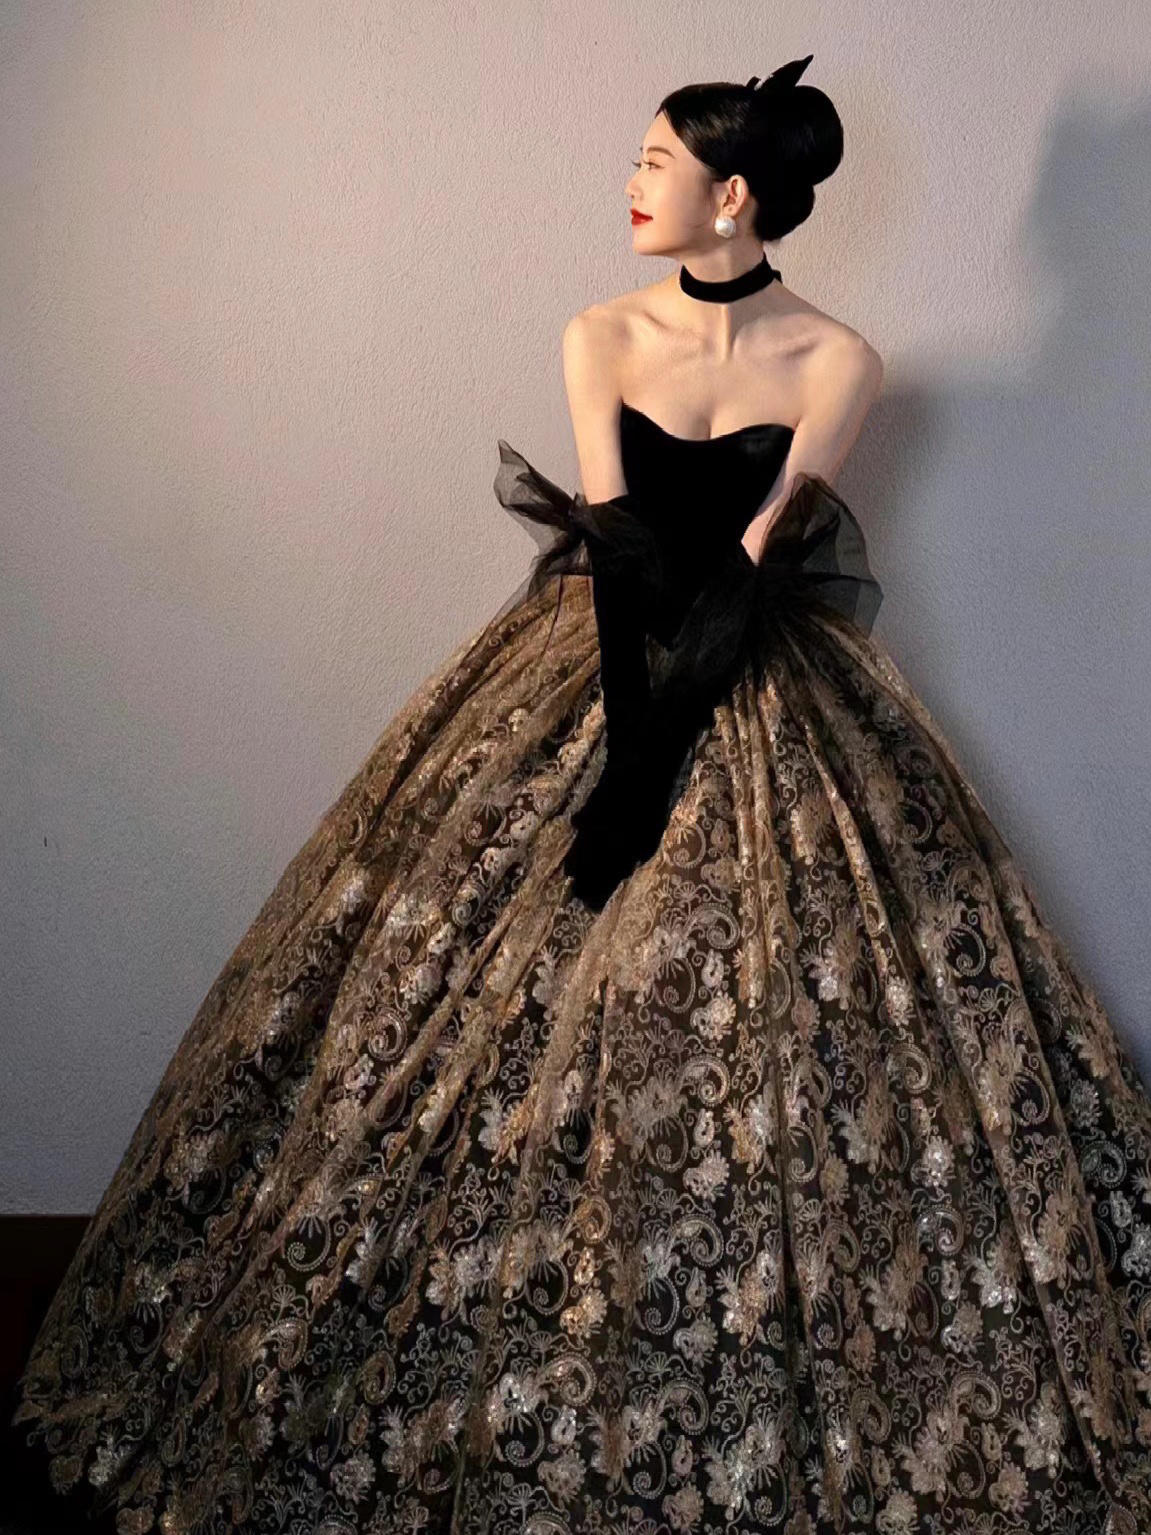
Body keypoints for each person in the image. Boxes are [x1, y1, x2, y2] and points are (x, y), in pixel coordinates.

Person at [9, 53, 1151, 1535]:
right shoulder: (601, 332)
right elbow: (615, 553)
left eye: (653, 160)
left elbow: (756, 574)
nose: (630, 182)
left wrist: (672, 752)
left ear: (731, 195)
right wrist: (621, 767)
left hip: (757, 679)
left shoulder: (838, 360)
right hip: (598, 671)